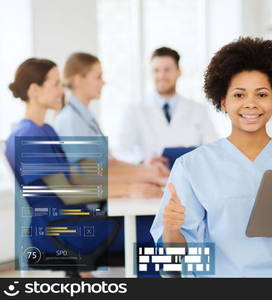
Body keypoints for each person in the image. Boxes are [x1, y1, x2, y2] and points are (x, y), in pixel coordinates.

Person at [150, 37, 272, 277]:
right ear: (223, 101)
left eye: (261, 94)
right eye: (239, 95)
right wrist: (172, 230)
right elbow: (175, 259)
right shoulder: (193, 166)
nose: (250, 104)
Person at [4, 58, 148, 269]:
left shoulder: (45, 130)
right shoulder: (30, 136)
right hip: (63, 231)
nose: (62, 90)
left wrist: (130, 187)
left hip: (73, 224)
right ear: (34, 90)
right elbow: (70, 193)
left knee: (153, 226)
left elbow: (77, 178)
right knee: (155, 228)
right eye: (55, 84)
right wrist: (130, 190)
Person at [54, 52, 168, 190]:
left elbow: (108, 163)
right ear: (79, 80)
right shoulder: (70, 121)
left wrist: (145, 168)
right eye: (98, 77)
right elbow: (88, 174)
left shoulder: (84, 117)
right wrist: (143, 175)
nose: (103, 82)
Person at [115, 47, 219, 164]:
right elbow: (121, 151)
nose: (161, 76)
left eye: (167, 70)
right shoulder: (134, 110)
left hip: (189, 178)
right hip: (150, 178)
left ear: (179, 72)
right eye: (156, 70)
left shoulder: (198, 110)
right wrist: (143, 161)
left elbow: (213, 149)